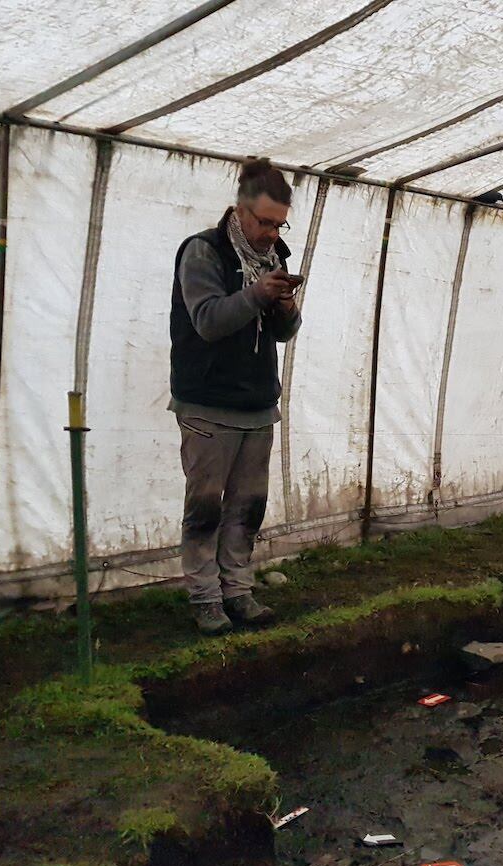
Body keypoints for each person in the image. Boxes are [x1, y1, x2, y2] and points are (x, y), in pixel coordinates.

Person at [169, 158, 302, 635]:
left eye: (279, 223)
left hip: (257, 404)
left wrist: (285, 306)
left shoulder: (274, 259)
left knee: (248, 506)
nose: (271, 232)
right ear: (240, 211)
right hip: (207, 403)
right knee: (205, 508)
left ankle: (238, 591)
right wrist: (256, 296)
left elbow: (283, 333)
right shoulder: (203, 253)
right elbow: (207, 321)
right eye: (264, 222)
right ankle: (205, 598)